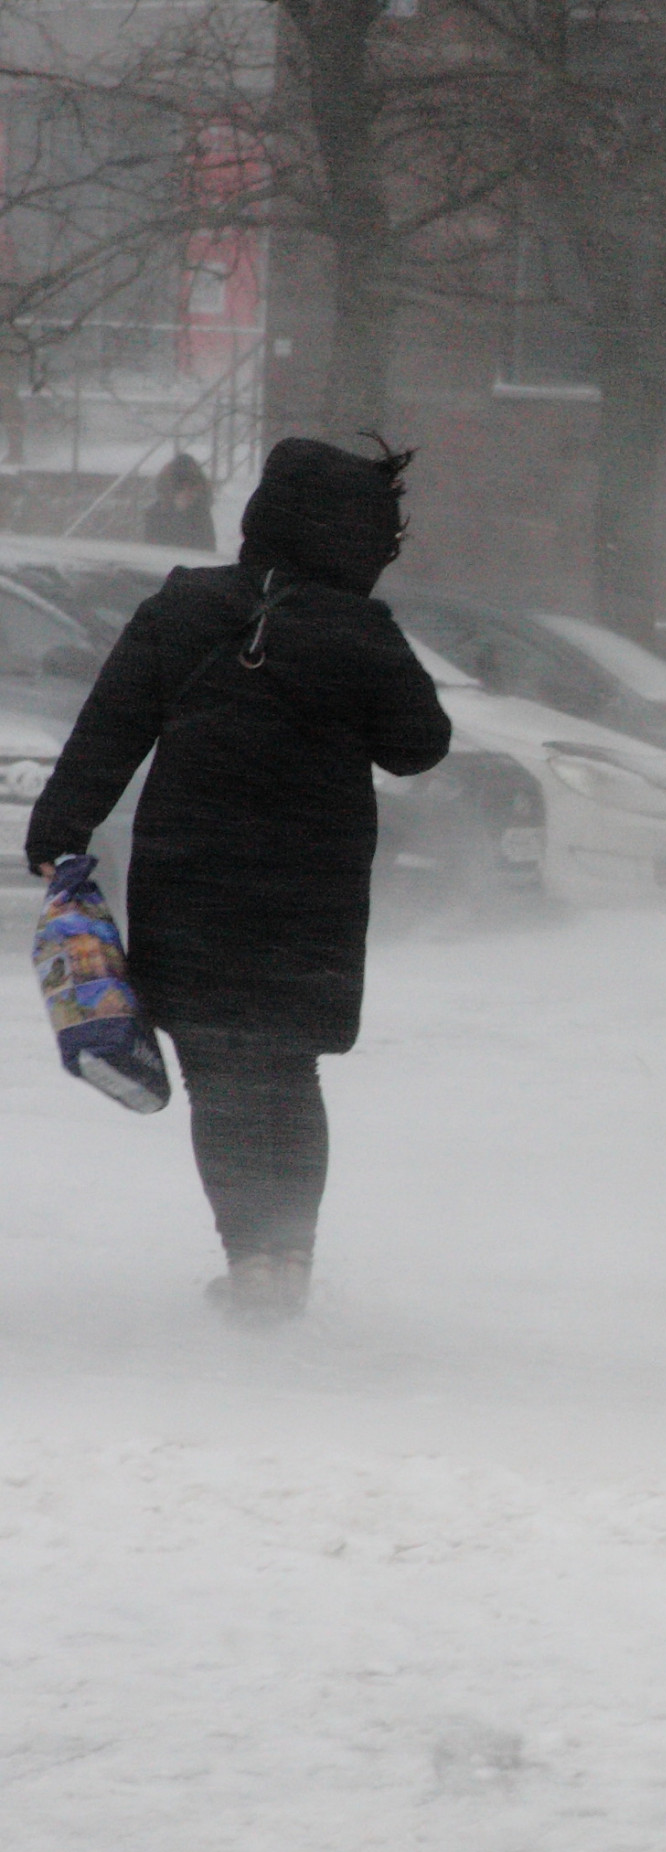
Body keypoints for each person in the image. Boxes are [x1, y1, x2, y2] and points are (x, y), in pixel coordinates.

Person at [24, 436, 453, 1321]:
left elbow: (111, 724)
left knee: (218, 1068)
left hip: (193, 879)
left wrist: (58, 830)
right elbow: (419, 746)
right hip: (311, 891)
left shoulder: (185, 607)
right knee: (288, 1071)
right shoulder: (358, 629)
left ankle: (251, 1262)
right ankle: (287, 1257)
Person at [143, 452, 219, 551]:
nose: (187, 491)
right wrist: (177, 514)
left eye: (192, 485)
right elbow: (154, 549)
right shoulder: (155, 514)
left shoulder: (201, 514)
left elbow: (207, 549)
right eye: (180, 486)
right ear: (170, 489)